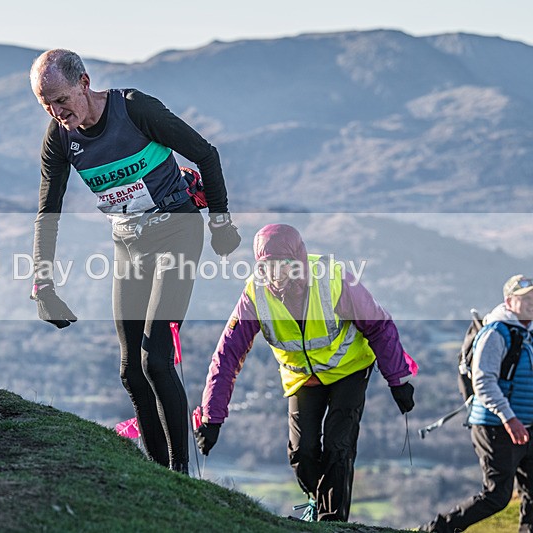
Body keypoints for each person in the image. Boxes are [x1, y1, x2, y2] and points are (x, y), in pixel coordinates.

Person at [28, 49, 241, 473]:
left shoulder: (135, 109)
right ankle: (159, 474)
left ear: (84, 83)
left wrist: (220, 223)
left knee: (156, 361)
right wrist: (43, 286)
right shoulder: (59, 138)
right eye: (45, 104)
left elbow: (206, 154)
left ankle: (182, 475)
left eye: (61, 99)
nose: (56, 111)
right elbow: (47, 210)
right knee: (131, 371)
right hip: (130, 246)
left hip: (177, 230)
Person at [194, 223, 415, 521]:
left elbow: (378, 324)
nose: (275, 274)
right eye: (266, 266)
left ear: (297, 261)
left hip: (349, 369)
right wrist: (212, 417)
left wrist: (397, 380)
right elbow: (227, 355)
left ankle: (331, 522)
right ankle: (317, 501)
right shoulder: (255, 295)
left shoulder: (332, 278)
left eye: (282, 265)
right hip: (303, 378)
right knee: (302, 453)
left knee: (339, 445)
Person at [420, 275, 533, 533]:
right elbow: (483, 382)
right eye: (525, 298)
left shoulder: (528, 333)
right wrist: (509, 418)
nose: (532, 303)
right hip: (496, 426)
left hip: (526, 425)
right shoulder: (495, 333)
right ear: (509, 301)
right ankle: (436, 530)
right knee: (496, 496)